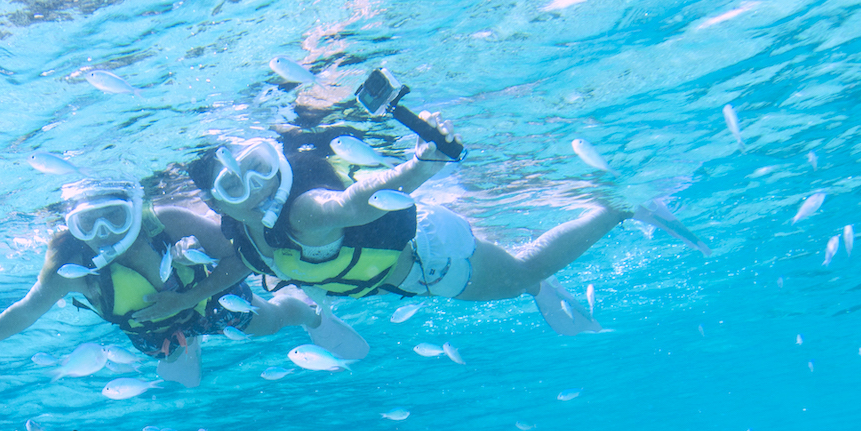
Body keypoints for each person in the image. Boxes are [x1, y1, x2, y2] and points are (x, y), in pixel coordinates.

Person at [181, 116, 706, 335]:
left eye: (258, 168)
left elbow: (350, 205)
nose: (255, 188)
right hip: (395, 266)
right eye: (234, 187)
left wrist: (416, 169)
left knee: (525, 273)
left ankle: (619, 206)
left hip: (427, 259)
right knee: (516, 267)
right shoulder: (235, 234)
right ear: (219, 205)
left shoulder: (302, 212)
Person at [0, 180, 348, 385]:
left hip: (211, 301)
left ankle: (310, 314)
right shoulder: (73, 264)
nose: (104, 233)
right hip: (149, 335)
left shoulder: (168, 222)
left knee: (270, 323)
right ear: (74, 226)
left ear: (136, 211)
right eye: (89, 223)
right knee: (171, 357)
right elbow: (28, 308)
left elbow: (241, 257)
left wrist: (185, 299)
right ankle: (186, 346)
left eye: (117, 218)